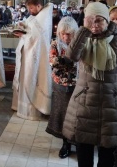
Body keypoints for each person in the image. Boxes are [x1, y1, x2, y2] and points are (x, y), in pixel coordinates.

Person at [62, 2, 117, 167]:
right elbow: (71, 56)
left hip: (111, 106)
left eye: (99, 20)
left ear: (107, 21)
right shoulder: (83, 40)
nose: (95, 24)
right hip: (85, 104)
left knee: (107, 157)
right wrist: (83, 29)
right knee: (84, 155)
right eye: (90, 20)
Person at [11, 0, 53, 120]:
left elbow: (37, 37)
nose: (30, 11)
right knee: (25, 77)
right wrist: (22, 26)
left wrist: (23, 35)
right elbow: (29, 26)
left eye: (31, 8)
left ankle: (32, 110)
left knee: (32, 78)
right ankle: (22, 107)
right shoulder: (37, 15)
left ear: (39, 6)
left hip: (36, 58)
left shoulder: (43, 17)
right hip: (28, 55)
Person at [45, 17, 79, 159]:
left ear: (74, 33)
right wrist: (68, 61)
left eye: (69, 34)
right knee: (63, 115)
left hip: (78, 85)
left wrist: (64, 61)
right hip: (60, 85)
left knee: (76, 116)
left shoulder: (79, 44)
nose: (65, 37)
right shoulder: (55, 44)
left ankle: (78, 141)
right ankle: (66, 144)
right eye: (62, 34)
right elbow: (53, 61)